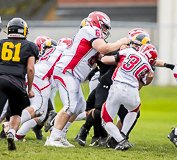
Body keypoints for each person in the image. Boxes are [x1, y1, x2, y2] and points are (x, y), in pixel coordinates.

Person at [44, 11, 129, 148]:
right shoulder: (90, 29)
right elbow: (105, 48)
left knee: (77, 108)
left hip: (72, 75)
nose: (105, 30)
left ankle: (60, 135)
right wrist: (121, 42)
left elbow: (104, 55)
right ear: (97, 23)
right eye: (104, 27)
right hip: (67, 71)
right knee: (71, 106)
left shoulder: (92, 36)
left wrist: (121, 51)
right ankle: (53, 138)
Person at [101, 43, 158, 150]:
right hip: (133, 91)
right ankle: (123, 135)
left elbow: (115, 58)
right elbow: (144, 82)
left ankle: (121, 140)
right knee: (134, 110)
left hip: (117, 87)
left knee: (106, 121)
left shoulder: (129, 51)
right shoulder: (148, 66)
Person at [0, 17, 38, 150]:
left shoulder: (1, 43)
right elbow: (30, 68)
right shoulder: (30, 46)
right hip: (17, 83)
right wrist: (30, 89)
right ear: (24, 31)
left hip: (1, 80)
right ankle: (11, 132)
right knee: (16, 113)